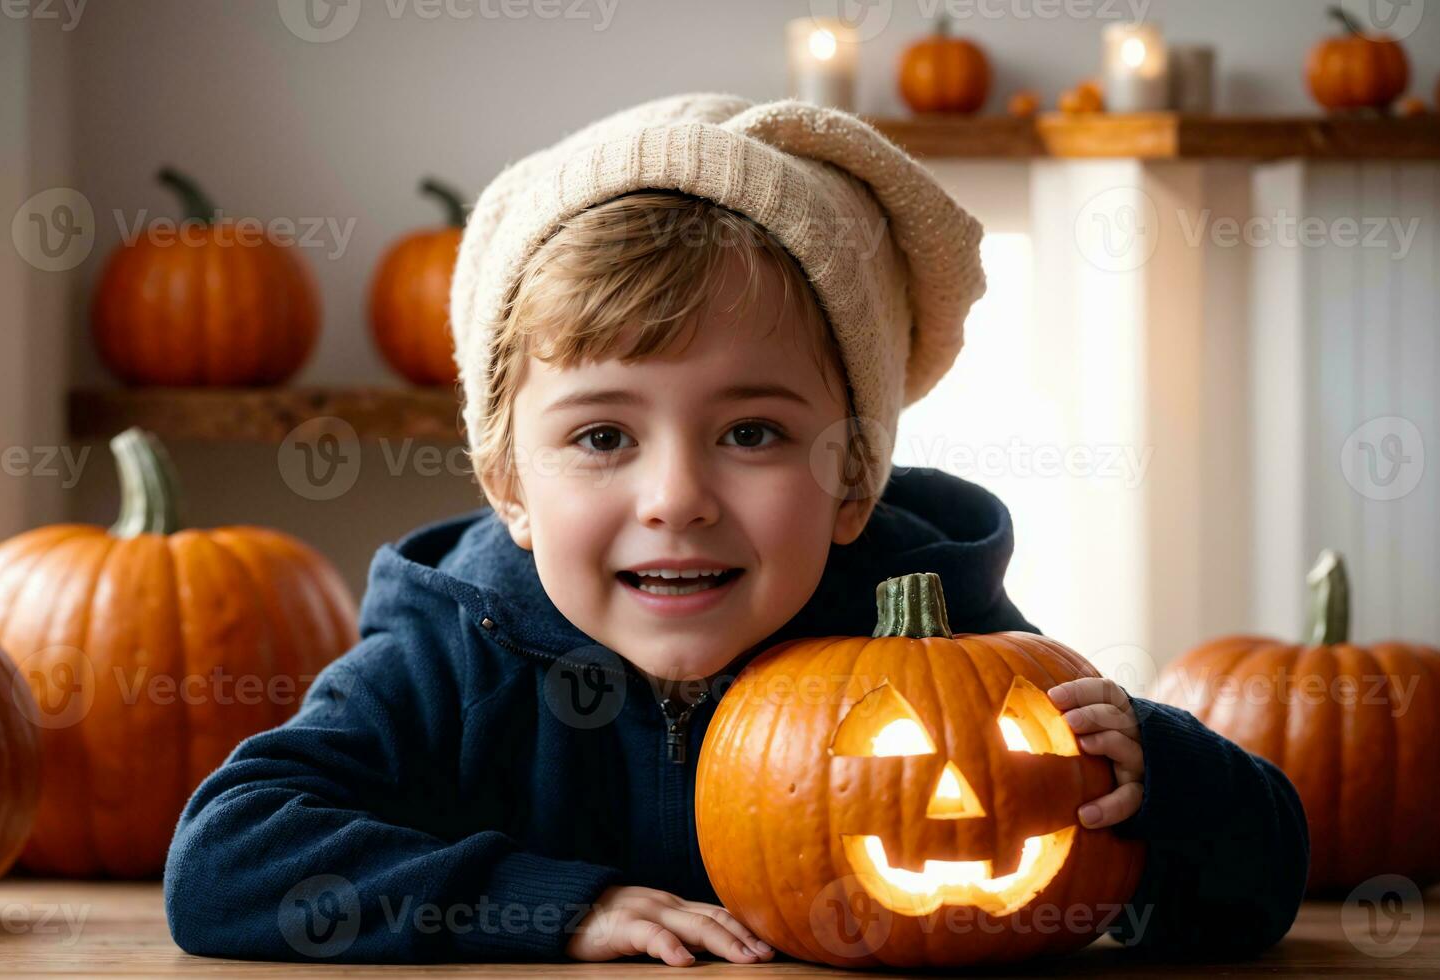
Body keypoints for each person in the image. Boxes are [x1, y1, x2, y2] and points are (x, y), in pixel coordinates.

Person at [164, 93, 1309, 966]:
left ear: (855, 473)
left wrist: (1171, 778)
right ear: (510, 480)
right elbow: (225, 859)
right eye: (604, 437)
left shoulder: (940, 639)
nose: (678, 495)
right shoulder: (449, 652)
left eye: (752, 432)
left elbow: (1253, 896)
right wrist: (556, 904)